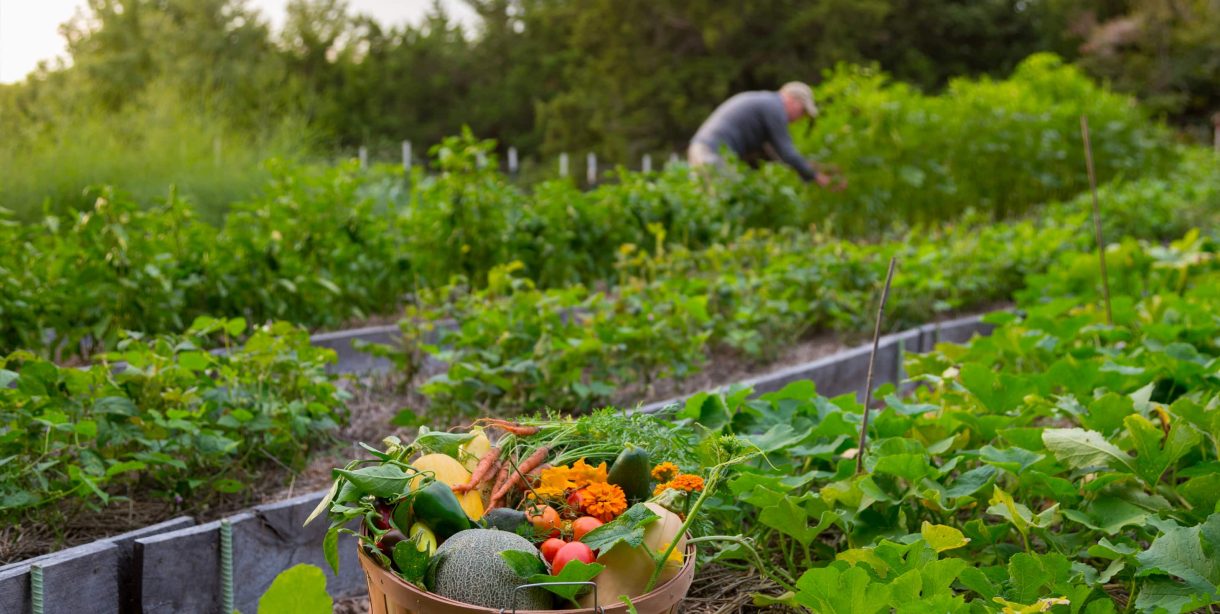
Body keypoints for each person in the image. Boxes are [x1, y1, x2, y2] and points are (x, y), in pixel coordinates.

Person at [688, 81, 833, 187]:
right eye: (802, 111)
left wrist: (817, 168)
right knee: (726, 201)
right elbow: (787, 152)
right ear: (793, 100)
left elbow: (778, 157)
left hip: (701, 149)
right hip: (710, 154)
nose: (799, 118)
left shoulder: (765, 105)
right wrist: (816, 177)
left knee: (712, 201)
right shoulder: (774, 108)